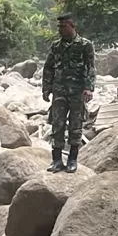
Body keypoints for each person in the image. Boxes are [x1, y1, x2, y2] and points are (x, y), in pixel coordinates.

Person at [41, 15, 94, 174]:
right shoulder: (56, 46)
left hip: (77, 92)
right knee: (57, 124)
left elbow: (90, 67)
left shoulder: (85, 45)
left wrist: (89, 88)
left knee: (75, 125)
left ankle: (72, 159)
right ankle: (56, 160)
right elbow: (48, 67)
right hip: (59, 90)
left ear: (72, 26)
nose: (60, 30)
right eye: (59, 27)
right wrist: (46, 88)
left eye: (63, 27)